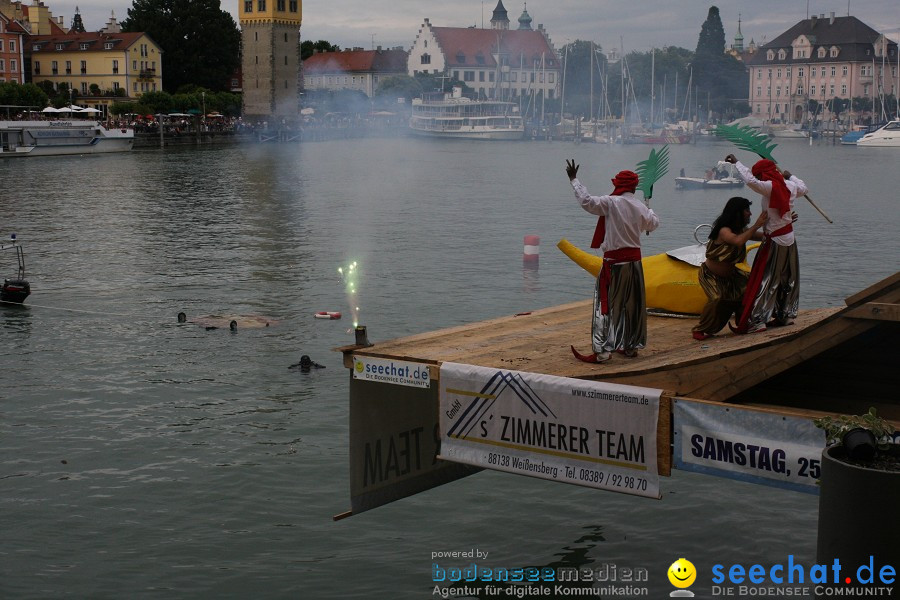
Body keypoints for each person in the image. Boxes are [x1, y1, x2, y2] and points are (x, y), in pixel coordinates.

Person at [565, 159, 660, 362]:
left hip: (614, 264)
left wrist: (574, 180)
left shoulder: (611, 202)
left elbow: (587, 202)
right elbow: (653, 224)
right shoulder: (640, 206)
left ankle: (602, 352)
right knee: (632, 306)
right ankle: (630, 347)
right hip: (634, 264)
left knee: (605, 306)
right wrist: (650, 212)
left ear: (617, 185)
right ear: (634, 187)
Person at [724, 153, 808, 333]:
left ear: (764, 175)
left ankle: (758, 320)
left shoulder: (769, 187)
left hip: (774, 240)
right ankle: (784, 314)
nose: (758, 179)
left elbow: (750, 181)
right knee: (788, 278)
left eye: (760, 176)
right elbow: (804, 188)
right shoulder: (791, 186)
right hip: (789, 238)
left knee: (766, 280)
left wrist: (737, 162)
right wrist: (790, 175)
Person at [691, 197, 767, 340]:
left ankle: (744, 322)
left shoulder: (741, 229)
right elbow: (738, 241)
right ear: (737, 212)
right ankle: (700, 329)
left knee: (752, 287)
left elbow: (762, 236)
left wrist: (781, 226)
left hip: (732, 275)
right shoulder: (724, 230)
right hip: (711, 275)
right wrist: (756, 225)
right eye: (747, 210)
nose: (750, 214)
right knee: (717, 298)